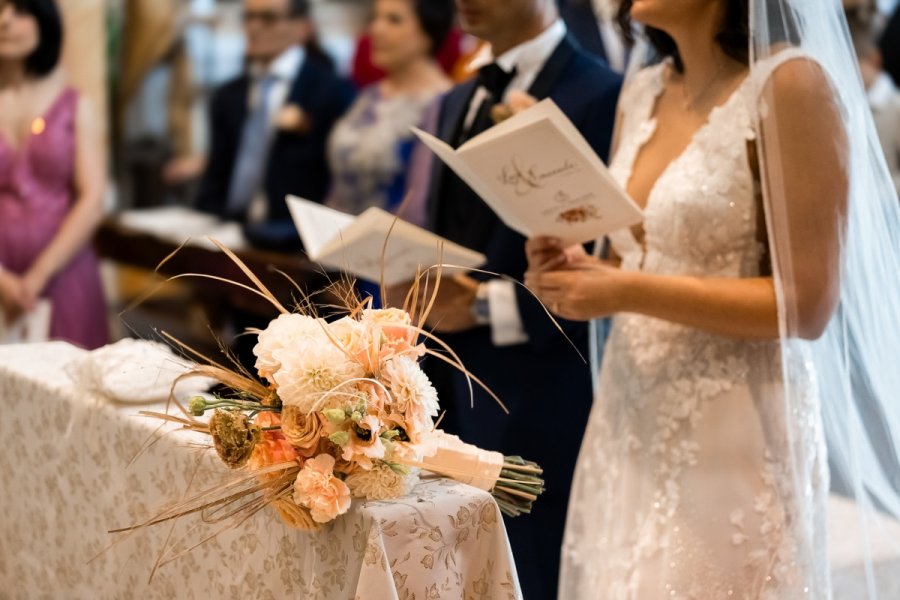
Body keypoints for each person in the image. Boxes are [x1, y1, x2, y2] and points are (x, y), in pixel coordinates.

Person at [526, 0, 900, 597]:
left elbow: (807, 305)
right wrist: (578, 270)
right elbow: (630, 259)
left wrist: (624, 288)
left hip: (736, 427)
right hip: (630, 409)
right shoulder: (643, 90)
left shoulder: (793, 84)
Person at [397, 1, 621, 597]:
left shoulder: (602, 94)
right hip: (448, 378)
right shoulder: (456, 98)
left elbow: (601, 258)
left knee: (532, 569)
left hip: (541, 383)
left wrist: (480, 307)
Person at [195, 0, 354, 251]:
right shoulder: (228, 94)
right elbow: (217, 172)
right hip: (226, 229)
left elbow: (336, 184)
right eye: (248, 17)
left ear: (301, 27)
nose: (254, 27)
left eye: (268, 18)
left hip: (294, 240)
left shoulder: (332, 92)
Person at [0, 0, 107, 349]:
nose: (4, 21)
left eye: (19, 11)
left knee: (68, 381)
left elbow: (92, 198)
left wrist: (38, 275)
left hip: (63, 269)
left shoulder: (74, 103)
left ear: (44, 21)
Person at [326, 0, 455, 226]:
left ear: (427, 32)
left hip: (390, 248)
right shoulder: (369, 95)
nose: (376, 29)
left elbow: (417, 208)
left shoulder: (443, 103)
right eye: (375, 18)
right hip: (335, 240)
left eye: (393, 20)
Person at [849, 6, 900, 194]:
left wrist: (878, 191)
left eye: (856, 63)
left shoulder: (894, 106)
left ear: (873, 60)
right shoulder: (849, 106)